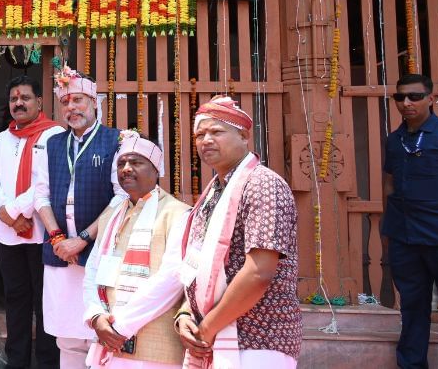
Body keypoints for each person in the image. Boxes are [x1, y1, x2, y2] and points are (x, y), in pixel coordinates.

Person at [176, 95, 301, 367]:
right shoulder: (214, 192)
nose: (205, 140)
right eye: (200, 134)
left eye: (216, 132)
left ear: (244, 136)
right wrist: (186, 313)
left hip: (257, 338)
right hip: (214, 334)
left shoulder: (263, 185)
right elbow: (197, 265)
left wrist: (207, 327)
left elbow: (259, 271)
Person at [35, 64, 121, 368]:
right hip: (59, 251)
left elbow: (122, 198)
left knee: (99, 333)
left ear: (94, 102)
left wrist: (82, 239)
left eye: (78, 100)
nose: (72, 108)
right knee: (66, 338)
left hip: (98, 251)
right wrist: (58, 237)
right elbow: (40, 194)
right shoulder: (52, 142)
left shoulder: (115, 141)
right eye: (66, 102)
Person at [82, 130, 189, 368]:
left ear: (157, 169)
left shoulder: (177, 213)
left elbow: (172, 279)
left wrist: (121, 326)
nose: (126, 168)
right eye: (121, 163)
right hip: (109, 339)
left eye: (136, 162)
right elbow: (93, 271)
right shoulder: (111, 216)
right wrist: (96, 316)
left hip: (155, 347)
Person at [0, 75, 62, 368]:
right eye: (14, 98)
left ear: (39, 101)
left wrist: (15, 212)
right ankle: (16, 361)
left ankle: (47, 362)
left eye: (25, 98)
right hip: (8, 233)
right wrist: (6, 214)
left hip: (42, 231)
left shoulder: (54, 135)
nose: (18, 103)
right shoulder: (1, 139)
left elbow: (47, 181)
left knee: (45, 300)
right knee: (15, 297)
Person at [381, 73, 438, 368]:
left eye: (415, 96)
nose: (406, 103)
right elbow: (389, 184)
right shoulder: (395, 140)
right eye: (400, 97)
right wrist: (389, 229)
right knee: (412, 307)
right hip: (406, 237)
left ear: (431, 99)